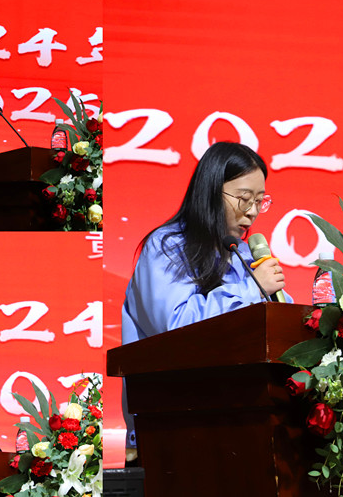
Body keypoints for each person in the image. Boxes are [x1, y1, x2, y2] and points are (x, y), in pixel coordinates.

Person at [120, 141, 291, 461]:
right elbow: (176, 327)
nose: (252, 212)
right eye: (244, 199)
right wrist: (252, 289)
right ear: (212, 191)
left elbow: (279, 328)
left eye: (259, 201)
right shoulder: (167, 245)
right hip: (171, 428)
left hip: (240, 429)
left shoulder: (241, 255)